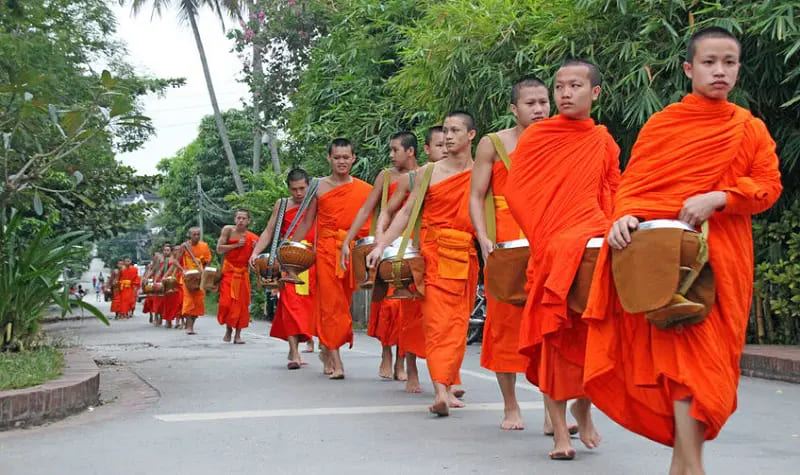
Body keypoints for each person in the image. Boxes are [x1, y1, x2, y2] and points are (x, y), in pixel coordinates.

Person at [583, 27, 782, 475]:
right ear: (689, 69)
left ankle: (683, 466)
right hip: (665, 264)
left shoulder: (749, 129)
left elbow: (769, 187)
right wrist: (623, 217)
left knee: (706, 367)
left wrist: (722, 197)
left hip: (723, 261)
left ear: (738, 69)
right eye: (709, 62)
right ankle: (692, 469)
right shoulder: (664, 124)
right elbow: (633, 187)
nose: (719, 71)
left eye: (728, 62)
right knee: (681, 366)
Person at [505, 59, 620, 460]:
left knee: (589, 339)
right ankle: (560, 435)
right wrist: (546, 233)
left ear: (595, 93)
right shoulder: (538, 139)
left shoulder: (603, 140)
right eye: (560, 87)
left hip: (590, 249)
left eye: (575, 86)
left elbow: (612, 191)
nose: (566, 93)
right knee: (552, 339)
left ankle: (584, 411)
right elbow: (518, 193)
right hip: (551, 249)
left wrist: (607, 227)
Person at [367, 112, 478, 416]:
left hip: (464, 256)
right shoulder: (429, 173)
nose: (449, 137)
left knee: (458, 324)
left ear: (471, 135)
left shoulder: (482, 171)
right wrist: (381, 244)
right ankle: (441, 389)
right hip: (432, 256)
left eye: (455, 131)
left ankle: (446, 381)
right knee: (437, 323)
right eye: (445, 131)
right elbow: (404, 214)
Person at [468, 76, 551, 431]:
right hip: (506, 240)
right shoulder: (493, 144)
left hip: (548, 237)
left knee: (551, 324)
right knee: (504, 325)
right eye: (530, 103)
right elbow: (476, 196)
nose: (539, 109)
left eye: (543, 102)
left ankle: (554, 411)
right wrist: (484, 239)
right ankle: (511, 405)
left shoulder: (562, 139)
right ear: (513, 109)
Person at [341, 131, 422, 381]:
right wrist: (347, 240)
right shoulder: (386, 177)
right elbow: (367, 208)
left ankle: (404, 361)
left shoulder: (426, 174)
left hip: (415, 246)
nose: (390, 155)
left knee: (408, 306)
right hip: (387, 247)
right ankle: (387, 353)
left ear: (410, 151)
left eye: (395, 150)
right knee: (388, 305)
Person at [375, 126, 448, 393]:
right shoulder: (414, 178)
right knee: (411, 315)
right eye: (439, 145)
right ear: (426, 150)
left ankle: (448, 380)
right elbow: (389, 211)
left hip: (449, 254)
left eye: (447, 144)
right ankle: (412, 369)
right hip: (415, 253)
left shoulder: (465, 174)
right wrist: (381, 240)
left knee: (447, 319)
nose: (445, 149)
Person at [294, 138, 373, 379]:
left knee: (343, 307)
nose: (341, 161)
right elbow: (307, 221)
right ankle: (337, 359)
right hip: (326, 252)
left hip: (351, 253)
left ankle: (328, 346)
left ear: (353, 159)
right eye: (336, 157)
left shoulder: (365, 189)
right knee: (331, 306)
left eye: (345, 157)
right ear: (329, 158)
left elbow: (371, 221)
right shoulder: (317, 187)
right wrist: (291, 249)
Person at [250, 168, 317, 369]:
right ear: (288, 188)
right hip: (287, 260)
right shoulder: (281, 205)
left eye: (302, 188)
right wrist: (255, 252)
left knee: (309, 307)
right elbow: (270, 231)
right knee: (290, 306)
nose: (298, 193)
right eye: (294, 189)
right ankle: (295, 354)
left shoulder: (315, 201)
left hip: (311, 260)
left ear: (308, 186)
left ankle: (303, 345)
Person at [216, 210, 259, 344]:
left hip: (243, 274)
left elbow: (254, 260)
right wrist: (236, 245)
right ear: (235, 219)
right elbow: (219, 249)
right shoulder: (228, 230)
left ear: (248, 221)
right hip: (229, 272)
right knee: (226, 303)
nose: (241, 220)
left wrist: (255, 250)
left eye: (244, 218)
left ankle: (238, 335)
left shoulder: (253, 238)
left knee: (241, 305)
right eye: (238, 218)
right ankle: (229, 330)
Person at [181, 227, 212, 335]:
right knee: (189, 301)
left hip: (200, 277)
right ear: (189, 235)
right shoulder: (184, 246)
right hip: (188, 278)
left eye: (198, 234)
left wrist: (205, 273)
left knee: (198, 303)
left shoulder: (204, 246)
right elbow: (176, 260)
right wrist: (183, 270)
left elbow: (208, 261)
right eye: (194, 234)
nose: (196, 236)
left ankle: (191, 324)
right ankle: (189, 327)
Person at [161, 247, 184, 329]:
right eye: (175, 250)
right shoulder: (169, 261)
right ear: (173, 252)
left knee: (180, 303)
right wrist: (163, 278)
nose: (177, 251)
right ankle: (169, 320)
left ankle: (179, 322)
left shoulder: (184, 259)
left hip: (181, 283)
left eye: (179, 250)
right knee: (169, 303)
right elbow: (168, 272)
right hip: (171, 284)